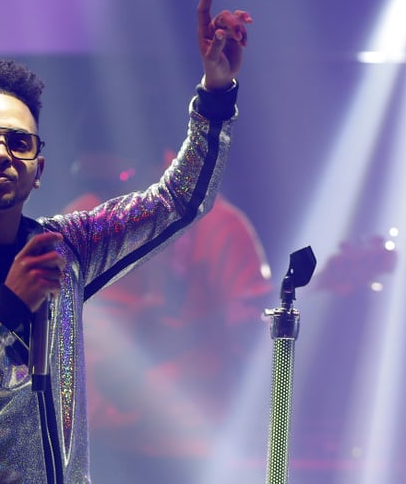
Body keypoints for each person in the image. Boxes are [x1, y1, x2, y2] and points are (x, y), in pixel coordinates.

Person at [0, 0, 252, 484]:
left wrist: (215, 96)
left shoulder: (66, 247)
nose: (1, 153)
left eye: (19, 143)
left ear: (39, 169)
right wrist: (4, 311)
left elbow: (176, 201)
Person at [63, 150, 273, 483]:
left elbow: (254, 337)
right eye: (95, 183)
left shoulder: (221, 226)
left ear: (158, 164)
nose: (99, 198)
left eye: (114, 180)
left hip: (188, 446)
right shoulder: (83, 216)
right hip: (99, 443)